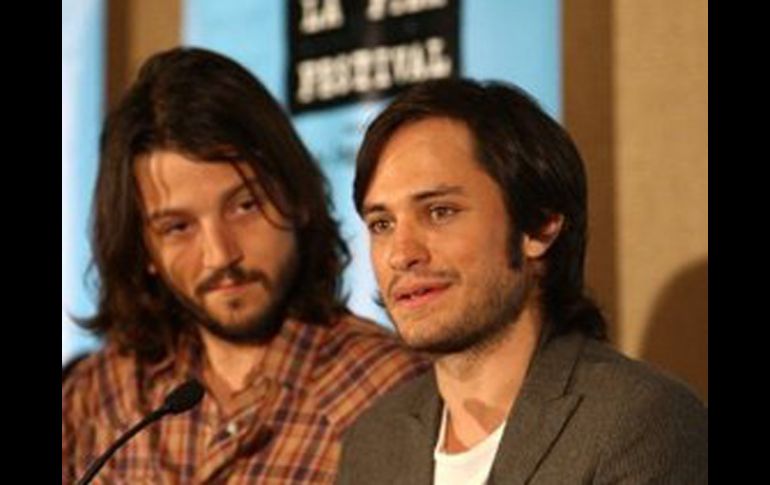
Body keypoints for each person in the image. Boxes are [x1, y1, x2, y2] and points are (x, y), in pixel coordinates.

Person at [61, 46, 428, 484]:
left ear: (296, 196)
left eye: (245, 206)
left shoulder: (392, 389)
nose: (220, 254)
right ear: (144, 252)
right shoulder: (97, 394)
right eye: (178, 227)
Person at [337, 78, 708, 484]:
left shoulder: (639, 421)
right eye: (382, 224)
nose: (401, 254)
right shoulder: (373, 441)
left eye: (440, 212)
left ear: (540, 226)